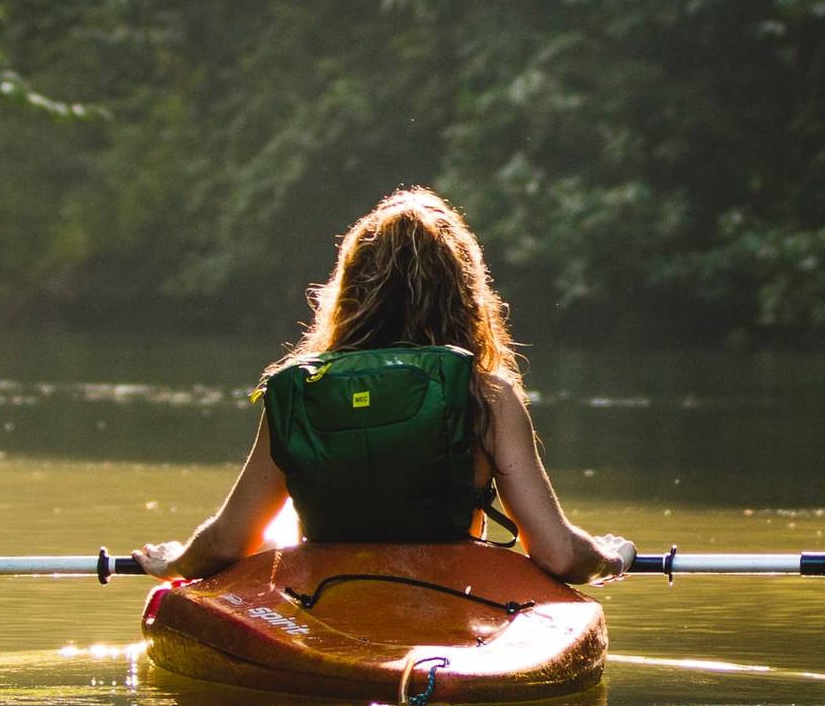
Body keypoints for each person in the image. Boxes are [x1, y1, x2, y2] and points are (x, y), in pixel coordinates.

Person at [132, 188, 636, 585]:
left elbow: (226, 542)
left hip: (326, 598)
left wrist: (178, 561)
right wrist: (610, 558)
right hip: (452, 597)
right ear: (465, 293)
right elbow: (558, 554)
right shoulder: (487, 396)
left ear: (350, 290)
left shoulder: (301, 391)